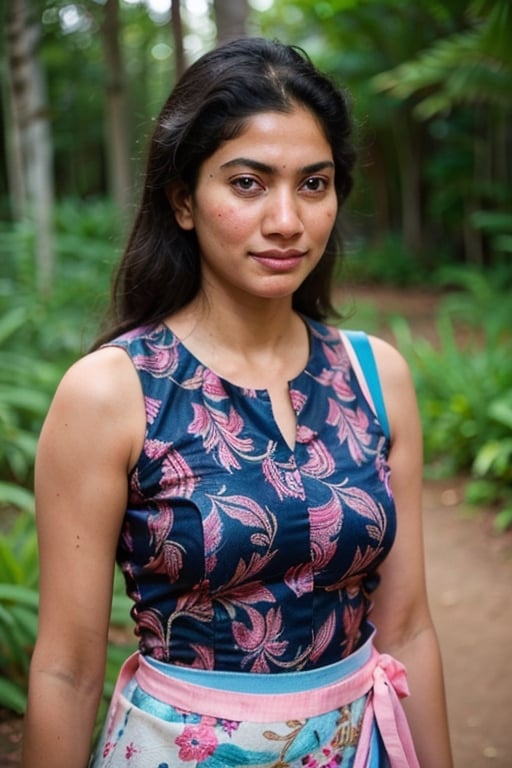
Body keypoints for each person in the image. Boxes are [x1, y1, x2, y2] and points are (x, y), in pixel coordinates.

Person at [21, 37, 452, 768]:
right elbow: (66, 669)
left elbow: (408, 629)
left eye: (313, 184)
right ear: (184, 199)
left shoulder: (377, 376)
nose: (287, 219)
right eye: (249, 183)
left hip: (361, 748)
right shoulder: (113, 391)